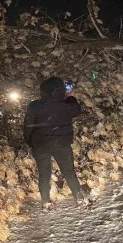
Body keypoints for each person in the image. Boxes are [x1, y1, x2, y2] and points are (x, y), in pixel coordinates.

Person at [23, 77, 87, 210]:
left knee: (44, 174)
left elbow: (28, 127)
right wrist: (71, 95)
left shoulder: (34, 106)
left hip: (40, 145)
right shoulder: (66, 105)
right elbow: (76, 109)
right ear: (61, 90)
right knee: (69, 172)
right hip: (61, 144)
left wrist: (30, 141)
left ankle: (46, 201)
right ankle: (79, 197)